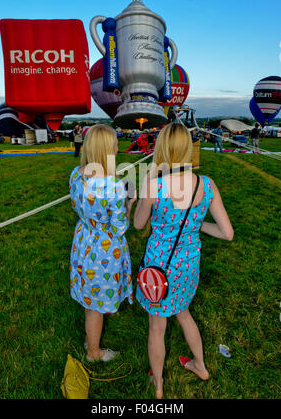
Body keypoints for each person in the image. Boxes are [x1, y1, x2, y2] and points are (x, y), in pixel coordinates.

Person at [133, 122, 234, 398]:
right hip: (188, 265)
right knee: (183, 312)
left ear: (162, 148)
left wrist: (136, 201)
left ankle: (159, 386)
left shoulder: (154, 183)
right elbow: (227, 233)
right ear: (188, 148)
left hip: (158, 267)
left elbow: (139, 224)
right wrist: (196, 224)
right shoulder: (207, 184)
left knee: (157, 325)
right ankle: (200, 365)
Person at [69, 124, 136, 362]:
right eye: (116, 142)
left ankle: (92, 335)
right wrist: (129, 202)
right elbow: (120, 227)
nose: (119, 146)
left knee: (91, 296)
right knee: (96, 305)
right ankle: (94, 352)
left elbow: (77, 205)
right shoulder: (114, 187)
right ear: (107, 150)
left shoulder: (76, 174)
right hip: (103, 250)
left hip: (83, 241)